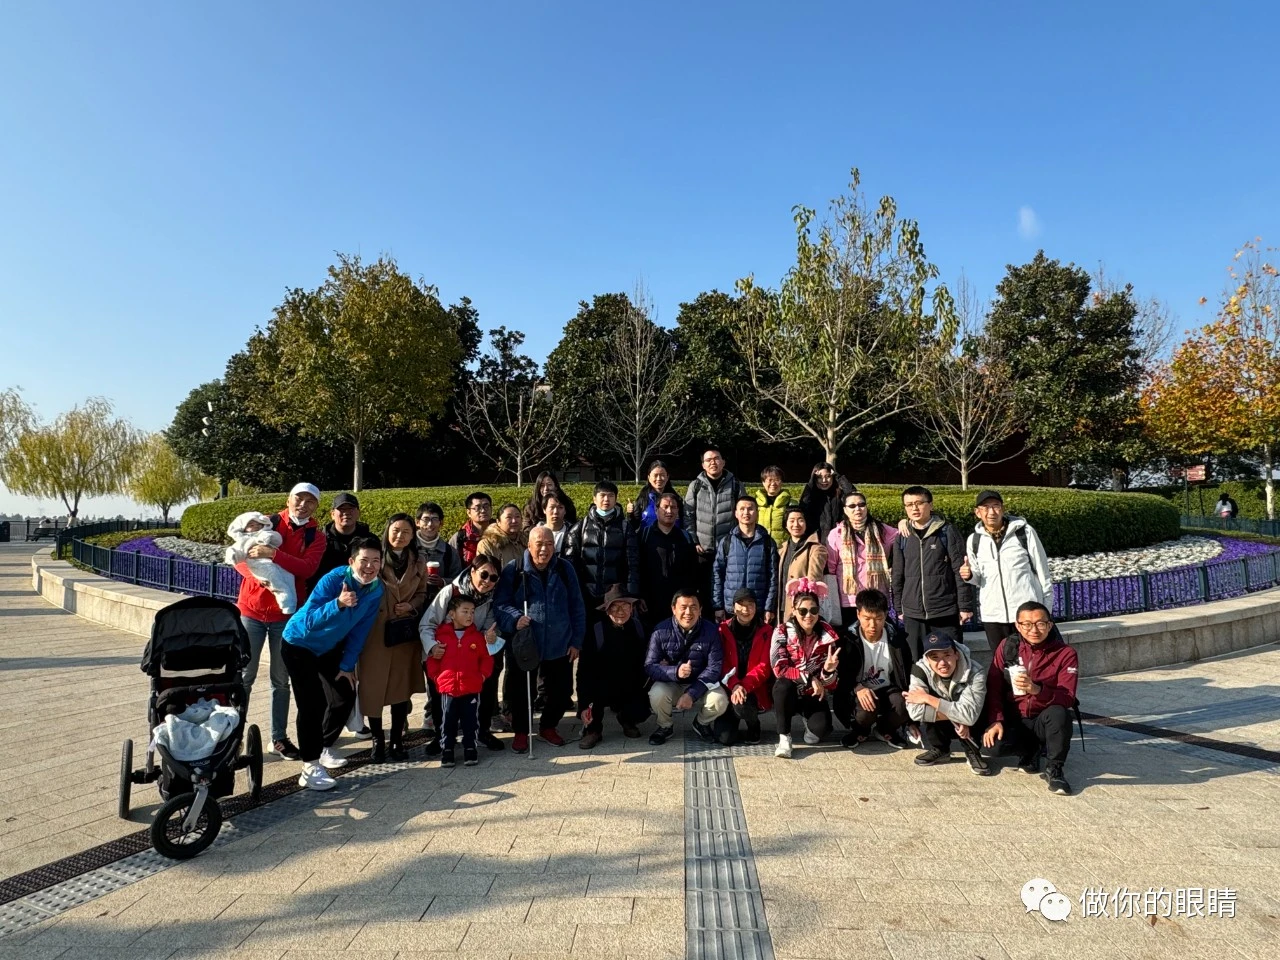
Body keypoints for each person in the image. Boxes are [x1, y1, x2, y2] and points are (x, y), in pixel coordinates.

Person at [281, 537, 383, 790]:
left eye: (376, 561)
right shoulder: (334, 579)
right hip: (298, 644)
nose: (369, 566)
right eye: (364, 560)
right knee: (311, 703)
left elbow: (361, 630)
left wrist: (347, 665)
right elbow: (308, 620)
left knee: (344, 694)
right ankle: (309, 766)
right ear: (351, 561)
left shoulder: (376, 589)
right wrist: (338, 603)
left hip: (328, 647)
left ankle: (324, 746)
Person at [235, 482, 327, 762]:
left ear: (316, 506)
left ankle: (279, 738)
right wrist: (259, 577)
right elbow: (240, 555)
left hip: (286, 616)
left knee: (281, 680)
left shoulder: (316, 536)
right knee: (243, 678)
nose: (303, 504)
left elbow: (307, 568)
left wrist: (274, 555)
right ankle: (233, 736)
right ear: (289, 499)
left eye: (310, 501)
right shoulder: (266, 522)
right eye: (299, 498)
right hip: (251, 610)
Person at [493, 527, 587, 753]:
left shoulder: (565, 569)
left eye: (549, 544)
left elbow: (577, 606)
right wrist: (515, 619)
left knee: (561, 690)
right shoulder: (514, 570)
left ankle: (548, 726)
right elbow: (500, 605)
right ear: (529, 545)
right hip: (525, 643)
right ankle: (522, 731)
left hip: (559, 642)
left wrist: (576, 641)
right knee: (521, 691)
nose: (544, 549)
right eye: (539, 544)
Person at [983, 601, 1079, 796]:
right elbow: (994, 687)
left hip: (1043, 717)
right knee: (992, 747)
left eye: (1040, 623)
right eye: (1026, 624)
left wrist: (1037, 690)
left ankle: (1055, 769)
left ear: (1050, 625)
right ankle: (1029, 750)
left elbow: (1068, 697)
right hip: (1015, 716)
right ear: (1018, 626)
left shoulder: (1065, 653)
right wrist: (996, 720)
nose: (1033, 630)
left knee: (1060, 714)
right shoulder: (1008, 647)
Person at [358, 514, 428, 763]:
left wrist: (411, 605)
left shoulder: (418, 561)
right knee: (372, 688)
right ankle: (378, 739)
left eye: (407, 532)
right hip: (374, 632)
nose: (400, 536)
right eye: (396, 530)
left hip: (403, 633)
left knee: (401, 688)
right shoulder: (374, 558)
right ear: (387, 531)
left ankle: (397, 739)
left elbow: (422, 592)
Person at [420, 555, 505, 752]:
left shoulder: (492, 597)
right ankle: (440, 737)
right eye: (484, 574)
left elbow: (488, 628)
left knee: (484, 690)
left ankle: (481, 731)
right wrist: (432, 647)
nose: (487, 581)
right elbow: (427, 624)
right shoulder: (451, 592)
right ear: (472, 571)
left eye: (493, 578)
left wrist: (490, 637)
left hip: (472, 655)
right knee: (441, 697)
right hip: (445, 655)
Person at [960, 490, 1053, 647]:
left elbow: (1043, 571)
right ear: (977, 512)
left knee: (1033, 661)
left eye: (996, 506)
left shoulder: (1024, 532)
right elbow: (978, 579)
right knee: (1003, 663)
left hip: (1027, 613)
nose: (991, 512)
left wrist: (1046, 610)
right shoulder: (974, 540)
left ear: (1002, 509)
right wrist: (968, 575)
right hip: (993, 615)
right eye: (985, 507)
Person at [890, 486, 973, 659]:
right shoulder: (902, 537)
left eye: (919, 503)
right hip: (913, 613)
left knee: (951, 660)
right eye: (909, 504)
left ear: (930, 505)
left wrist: (964, 606)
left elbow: (960, 570)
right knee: (915, 661)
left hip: (944, 610)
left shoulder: (946, 531)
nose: (914, 508)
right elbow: (897, 575)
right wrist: (899, 608)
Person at [832, 588, 914, 749]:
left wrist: (912, 722)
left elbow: (907, 675)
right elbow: (841, 676)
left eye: (878, 618)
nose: (872, 625)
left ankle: (885, 730)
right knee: (865, 710)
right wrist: (857, 687)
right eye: (867, 618)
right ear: (858, 614)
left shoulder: (897, 640)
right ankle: (860, 731)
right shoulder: (847, 640)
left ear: (886, 616)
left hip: (889, 691)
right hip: (858, 696)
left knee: (905, 703)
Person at [644, 589, 728, 745]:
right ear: (673, 609)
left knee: (720, 700)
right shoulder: (660, 630)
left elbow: (714, 668)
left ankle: (701, 723)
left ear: (700, 610)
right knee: (657, 694)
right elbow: (650, 666)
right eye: (683, 607)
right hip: (672, 683)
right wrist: (675, 671)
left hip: (700, 684)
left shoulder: (711, 631)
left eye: (693, 607)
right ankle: (665, 726)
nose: (688, 612)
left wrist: (691, 694)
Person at [769, 578, 841, 758]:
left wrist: (828, 671)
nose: (808, 615)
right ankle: (784, 736)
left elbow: (830, 686)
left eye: (813, 610)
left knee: (819, 733)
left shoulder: (828, 636)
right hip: (790, 691)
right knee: (782, 685)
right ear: (794, 611)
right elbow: (779, 668)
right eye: (803, 611)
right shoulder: (782, 632)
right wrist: (810, 677)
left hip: (812, 694)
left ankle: (808, 720)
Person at [905, 632, 990, 775]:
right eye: (935, 658)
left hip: (971, 723)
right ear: (927, 659)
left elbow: (970, 716)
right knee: (934, 709)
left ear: (956, 654)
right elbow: (915, 712)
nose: (942, 663)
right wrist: (957, 716)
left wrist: (928, 698)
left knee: (975, 708)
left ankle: (973, 751)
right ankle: (940, 749)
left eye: (947, 655)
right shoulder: (919, 670)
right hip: (950, 719)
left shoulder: (975, 672)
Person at [425, 593, 494, 767]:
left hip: (471, 687)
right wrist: (436, 678)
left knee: (470, 720)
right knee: (447, 720)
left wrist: (482, 676)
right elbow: (432, 660)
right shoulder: (441, 636)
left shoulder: (477, 637)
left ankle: (470, 747)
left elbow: (486, 659)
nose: (470, 615)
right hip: (447, 688)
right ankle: (447, 749)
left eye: (472, 612)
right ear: (452, 614)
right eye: (465, 611)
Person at [577, 585, 650, 749]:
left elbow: (647, 661)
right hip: (601, 684)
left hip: (629, 682)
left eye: (625, 606)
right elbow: (584, 672)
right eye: (615, 607)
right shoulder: (596, 631)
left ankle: (627, 719)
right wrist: (583, 706)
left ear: (631, 608)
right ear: (607, 610)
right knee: (592, 698)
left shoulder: (639, 628)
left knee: (644, 705)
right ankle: (593, 730)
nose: (620, 611)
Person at [564, 481, 640, 617]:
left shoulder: (625, 527)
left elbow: (632, 564)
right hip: (586, 595)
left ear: (616, 499)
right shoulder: (580, 527)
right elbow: (570, 563)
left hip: (615, 596)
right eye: (602, 495)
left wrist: (631, 594)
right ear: (594, 499)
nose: (606, 499)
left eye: (611, 496)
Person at [685, 447, 746, 610]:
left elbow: (743, 515)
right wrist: (694, 540)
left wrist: (735, 542)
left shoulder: (735, 485)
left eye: (716, 458)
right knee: (703, 591)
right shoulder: (695, 486)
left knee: (727, 590)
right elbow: (688, 515)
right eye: (708, 460)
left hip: (727, 550)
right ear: (703, 465)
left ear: (723, 462)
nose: (713, 462)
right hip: (702, 550)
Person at [828, 491, 897, 626]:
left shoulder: (882, 530)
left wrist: (903, 523)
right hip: (849, 598)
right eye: (852, 506)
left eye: (861, 504)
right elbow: (831, 568)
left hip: (876, 597)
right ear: (845, 510)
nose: (857, 509)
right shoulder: (836, 534)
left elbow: (901, 535)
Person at [715, 588, 774, 745]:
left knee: (741, 705)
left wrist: (743, 687)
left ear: (756, 607)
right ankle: (733, 716)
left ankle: (753, 724)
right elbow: (721, 662)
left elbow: (764, 667)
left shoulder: (766, 631)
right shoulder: (722, 629)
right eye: (741, 604)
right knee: (725, 739)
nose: (745, 609)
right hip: (729, 688)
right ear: (733, 607)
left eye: (750, 604)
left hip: (753, 688)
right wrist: (734, 685)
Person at [637, 491, 699, 632]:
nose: (669, 511)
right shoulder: (644, 536)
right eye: (665, 507)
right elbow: (637, 568)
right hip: (650, 603)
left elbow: (693, 572)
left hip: (679, 604)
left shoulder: (686, 537)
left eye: (673, 507)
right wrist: (639, 596)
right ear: (656, 509)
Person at [712, 496, 777, 623]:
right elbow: (717, 574)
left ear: (757, 512)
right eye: (742, 509)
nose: (746, 513)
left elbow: (773, 577)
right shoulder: (727, 541)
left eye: (750, 509)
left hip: (757, 608)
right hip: (731, 608)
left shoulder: (767, 543)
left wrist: (769, 607)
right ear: (736, 513)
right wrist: (718, 606)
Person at [225, 512, 296, 615]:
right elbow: (237, 553)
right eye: (251, 525)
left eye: (259, 524)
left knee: (289, 576)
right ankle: (285, 600)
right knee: (274, 577)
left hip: (276, 562)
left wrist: (267, 539)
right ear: (244, 529)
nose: (256, 527)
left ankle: (292, 602)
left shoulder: (267, 533)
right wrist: (232, 556)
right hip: (259, 564)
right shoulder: (243, 541)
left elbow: (277, 540)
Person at [308, 493, 372, 591]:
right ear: (332, 514)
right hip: (327, 594)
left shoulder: (370, 540)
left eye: (351, 509)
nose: (346, 513)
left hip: (361, 594)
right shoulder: (319, 540)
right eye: (342, 509)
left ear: (358, 513)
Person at [776, 506, 827, 622]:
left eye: (800, 520)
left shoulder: (816, 549)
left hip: (802, 610)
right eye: (791, 520)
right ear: (785, 524)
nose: (796, 524)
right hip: (781, 605)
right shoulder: (782, 548)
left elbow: (813, 581)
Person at [415, 501, 462, 602]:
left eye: (435, 519)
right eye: (426, 519)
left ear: (441, 523)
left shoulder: (449, 552)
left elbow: (459, 580)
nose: (430, 524)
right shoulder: (408, 547)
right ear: (417, 522)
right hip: (409, 604)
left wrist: (443, 582)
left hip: (438, 603)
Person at [798, 462, 854, 542]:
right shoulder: (811, 495)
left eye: (828, 476)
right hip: (816, 541)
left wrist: (838, 476)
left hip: (838, 540)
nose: (824, 480)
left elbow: (853, 495)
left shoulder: (839, 494)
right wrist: (811, 482)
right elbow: (802, 507)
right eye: (819, 477)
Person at [628, 459, 686, 530]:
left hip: (673, 540)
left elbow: (684, 524)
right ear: (649, 477)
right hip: (648, 540)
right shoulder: (643, 499)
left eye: (662, 475)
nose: (659, 479)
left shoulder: (676, 500)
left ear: (667, 477)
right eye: (655, 475)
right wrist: (630, 514)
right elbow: (633, 527)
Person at [477, 503, 526, 571]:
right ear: (498, 522)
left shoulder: (527, 540)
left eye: (517, 516)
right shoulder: (488, 544)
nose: (514, 521)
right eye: (509, 517)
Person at [449, 492, 493, 567]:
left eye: (486, 506)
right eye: (477, 508)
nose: (483, 510)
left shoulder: (501, 532)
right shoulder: (460, 537)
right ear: (469, 512)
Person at [752, 466, 791, 544]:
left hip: (782, 548)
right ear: (763, 482)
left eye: (777, 480)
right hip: (760, 545)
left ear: (782, 482)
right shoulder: (754, 503)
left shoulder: (790, 503)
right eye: (769, 480)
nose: (773, 484)